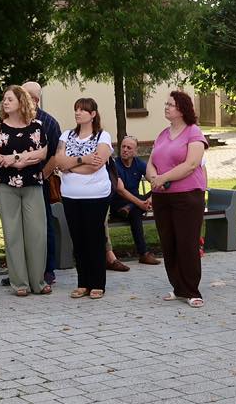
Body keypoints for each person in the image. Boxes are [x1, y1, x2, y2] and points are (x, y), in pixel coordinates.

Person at [149, 90, 209, 307]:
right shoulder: (162, 134)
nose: (166, 107)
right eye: (166, 104)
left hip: (187, 196)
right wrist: (153, 178)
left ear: (182, 109)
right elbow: (151, 162)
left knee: (187, 243)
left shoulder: (194, 132)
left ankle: (192, 290)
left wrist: (163, 177)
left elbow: (191, 164)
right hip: (162, 197)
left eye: (171, 105)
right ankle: (178, 287)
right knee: (169, 243)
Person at [0, 85, 49, 296]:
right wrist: (23, 158)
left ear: (21, 102)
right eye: (4, 99)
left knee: (37, 233)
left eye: (10, 99)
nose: (5, 102)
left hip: (32, 182)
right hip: (6, 185)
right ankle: (20, 283)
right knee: (13, 233)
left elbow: (42, 153)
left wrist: (14, 158)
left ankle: (38, 282)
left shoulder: (37, 126)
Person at [54, 98, 114, 298]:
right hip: (70, 195)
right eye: (76, 109)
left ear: (93, 114)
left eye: (83, 110)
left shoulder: (102, 136)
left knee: (94, 238)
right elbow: (59, 161)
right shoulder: (66, 135)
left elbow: (95, 166)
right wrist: (83, 159)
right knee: (78, 239)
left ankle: (97, 283)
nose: (78, 113)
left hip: (95, 196)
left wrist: (70, 166)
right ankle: (83, 282)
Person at [22, 81, 61, 286]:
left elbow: (56, 155)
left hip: (40, 182)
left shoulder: (49, 122)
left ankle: (47, 269)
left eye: (23, 95)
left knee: (43, 225)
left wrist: (42, 177)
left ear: (35, 100)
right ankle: (22, 271)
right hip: (15, 183)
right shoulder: (11, 120)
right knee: (20, 227)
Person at [110, 136, 158, 266]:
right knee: (136, 212)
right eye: (123, 147)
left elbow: (155, 181)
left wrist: (150, 199)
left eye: (129, 148)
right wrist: (140, 204)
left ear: (135, 151)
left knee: (158, 191)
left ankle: (131, 207)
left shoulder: (138, 163)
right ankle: (143, 254)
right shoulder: (114, 164)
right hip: (118, 205)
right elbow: (120, 190)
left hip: (135, 204)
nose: (125, 150)